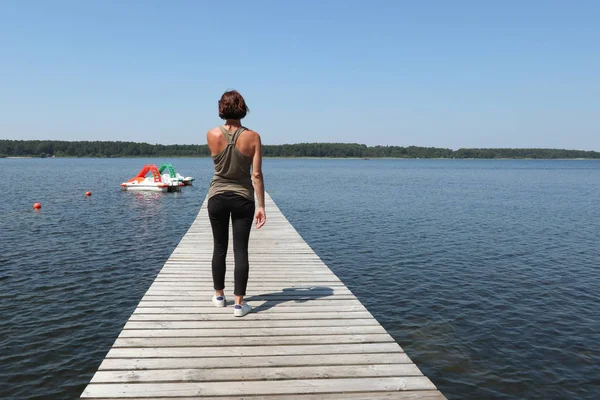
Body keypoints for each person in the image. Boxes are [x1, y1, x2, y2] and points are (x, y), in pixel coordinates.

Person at [206, 90, 266, 317]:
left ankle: (219, 296)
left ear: (222, 107)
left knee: (218, 247)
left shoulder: (211, 134)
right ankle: (240, 305)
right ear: (243, 108)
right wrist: (261, 205)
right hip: (243, 198)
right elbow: (257, 175)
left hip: (217, 197)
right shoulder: (253, 137)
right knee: (241, 250)